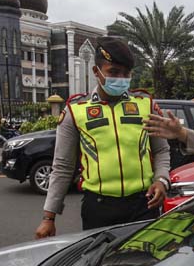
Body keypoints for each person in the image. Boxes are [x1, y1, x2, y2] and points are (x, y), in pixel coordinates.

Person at [35, 36, 171, 237]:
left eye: (126, 73)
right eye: (113, 72)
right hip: (98, 208)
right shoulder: (76, 111)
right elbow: (63, 167)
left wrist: (161, 180)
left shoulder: (145, 104)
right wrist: (49, 218)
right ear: (96, 71)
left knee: (143, 265)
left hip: (143, 204)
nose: (121, 78)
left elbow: (161, 150)